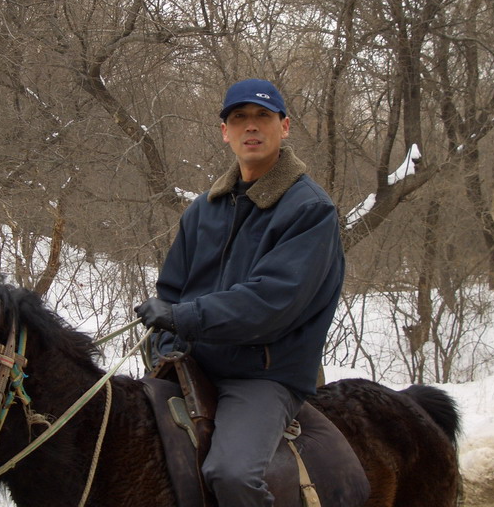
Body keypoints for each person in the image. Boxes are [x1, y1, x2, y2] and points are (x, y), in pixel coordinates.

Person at [135, 78, 345, 506]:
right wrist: (166, 345)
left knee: (231, 474)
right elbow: (172, 290)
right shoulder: (203, 209)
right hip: (192, 364)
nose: (251, 127)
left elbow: (271, 302)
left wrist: (183, 318)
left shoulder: (309, 210)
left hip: (263, 375)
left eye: (262, 116)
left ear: (284, 127)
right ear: (225, 132)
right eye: (239, 118)